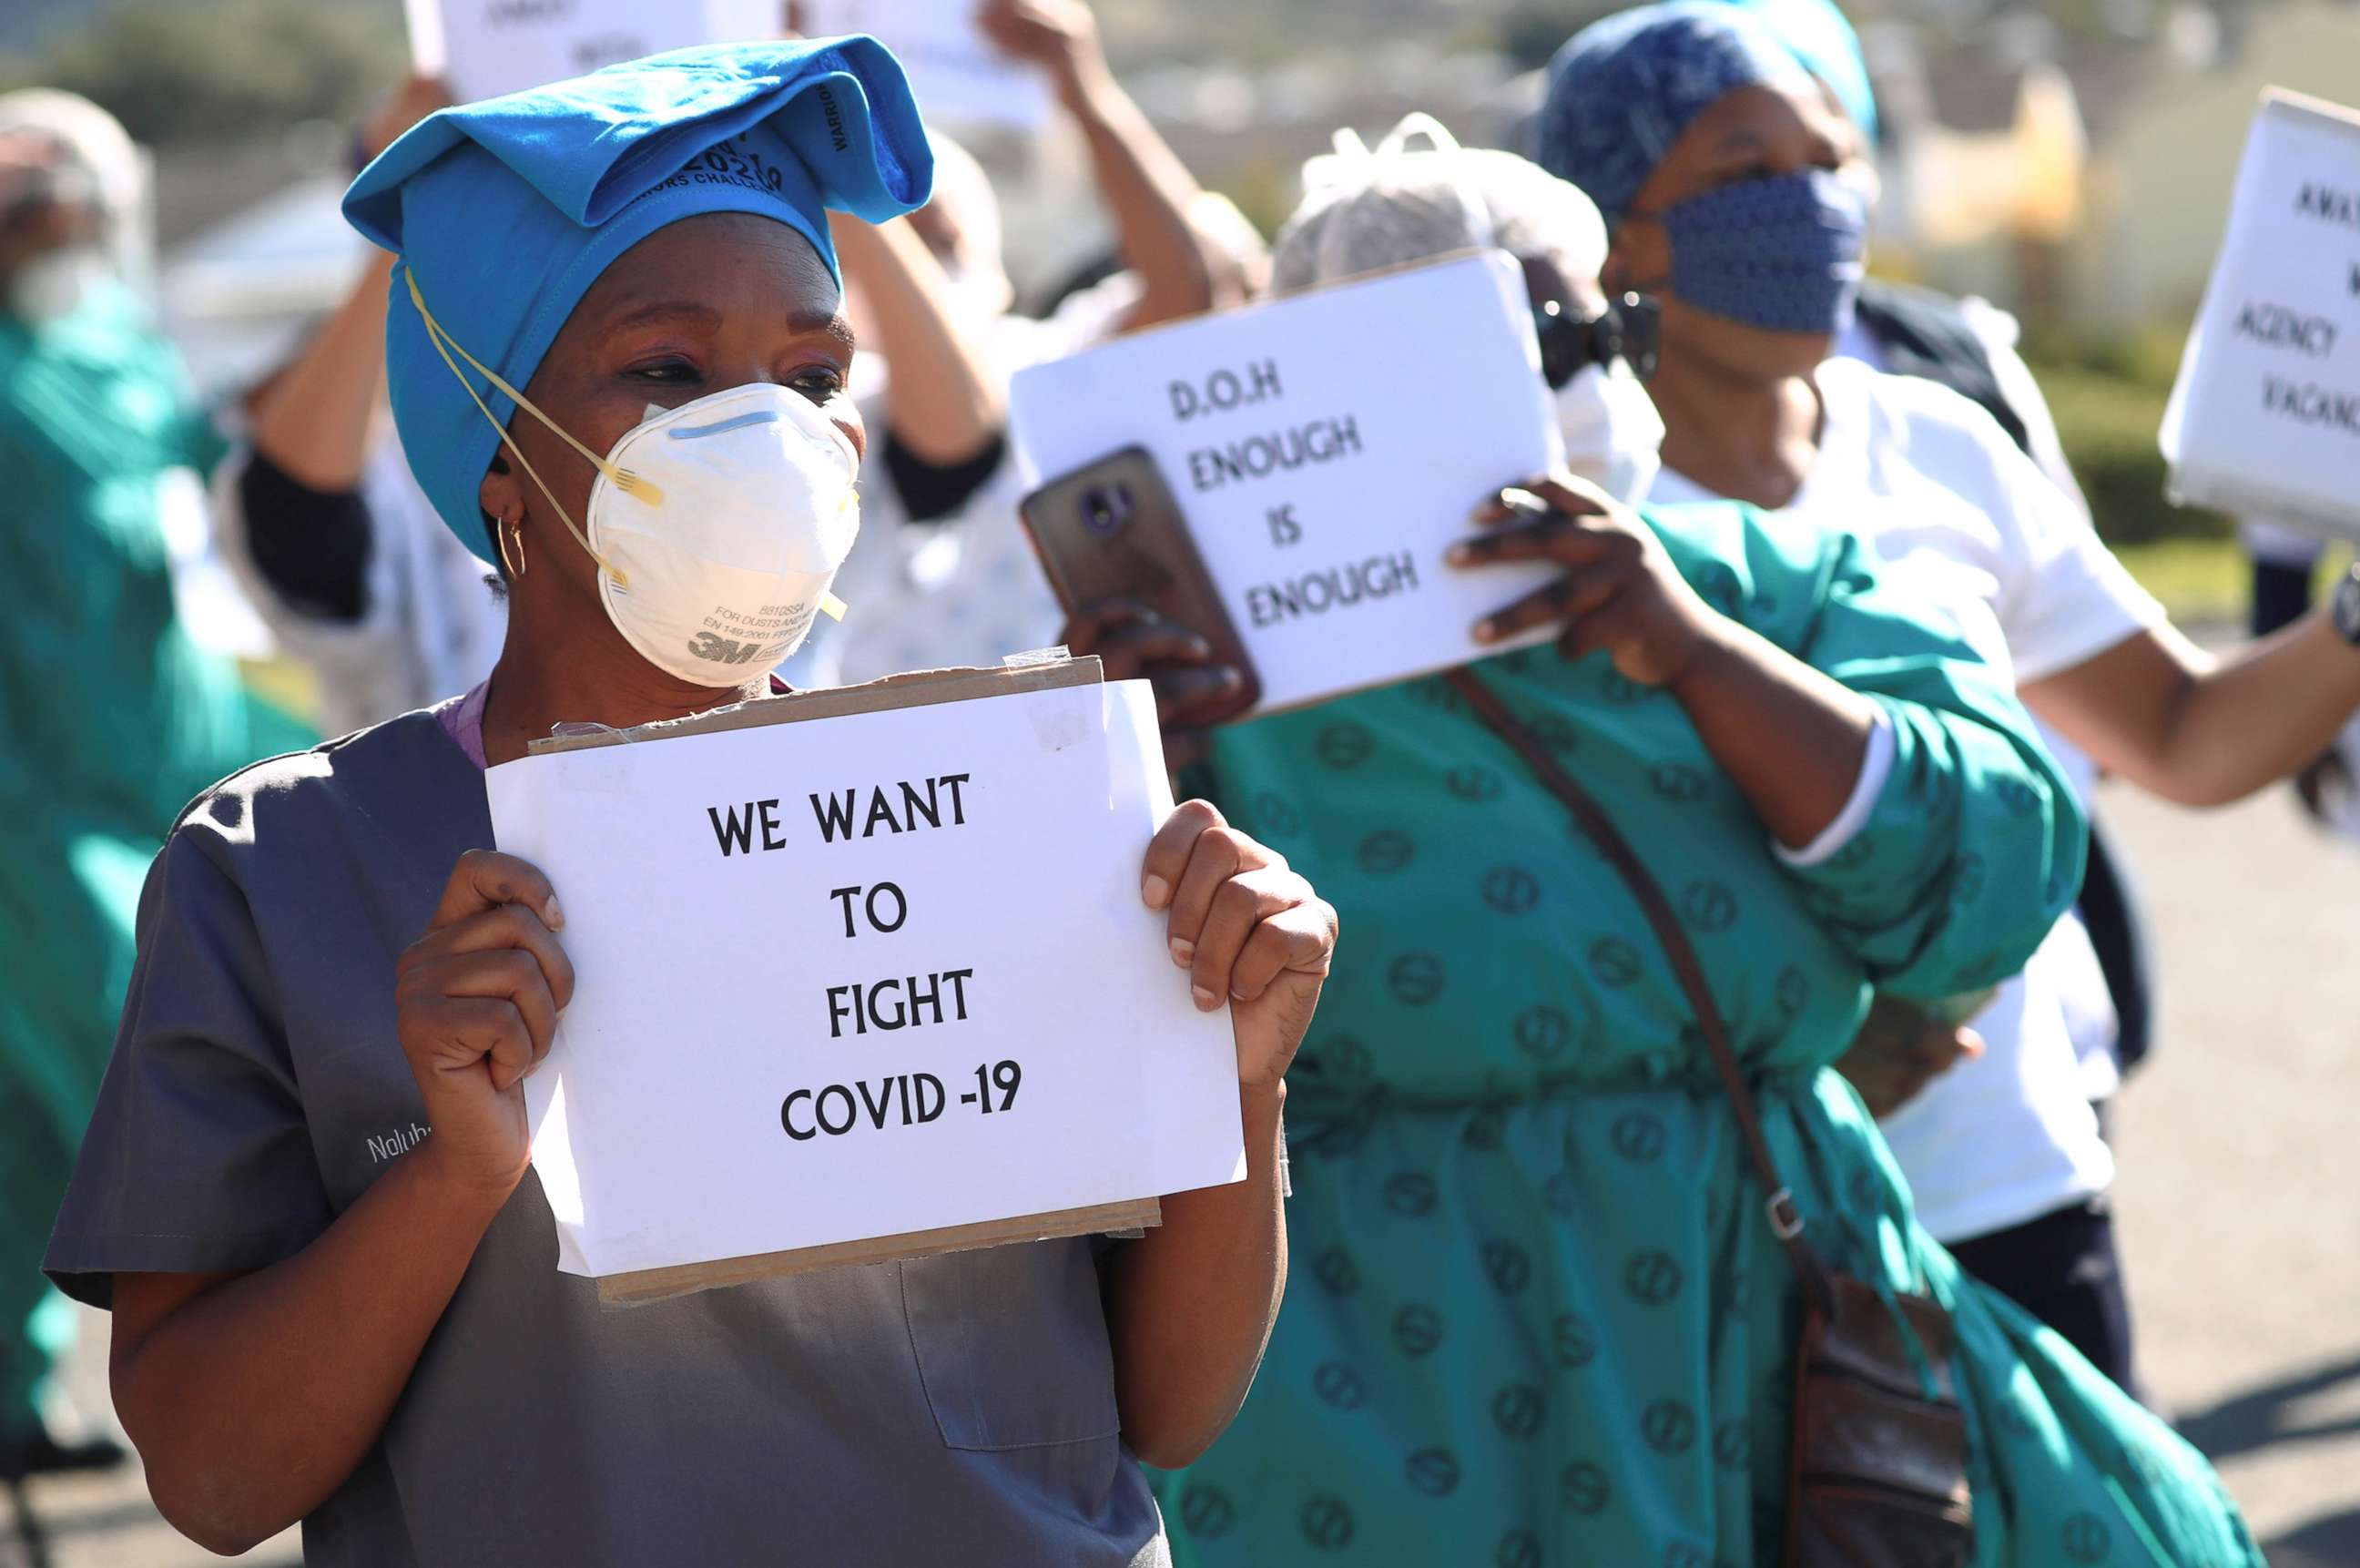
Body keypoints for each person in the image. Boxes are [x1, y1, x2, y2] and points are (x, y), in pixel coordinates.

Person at [41, 41, 1338, 1564]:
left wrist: (1236, 1080)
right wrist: (458, 1172)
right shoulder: (286, 873)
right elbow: (208, 1475)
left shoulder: (1002, 814)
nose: (772, 432)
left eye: (813, 376)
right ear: (502, 449)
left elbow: (1155, 1412)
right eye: (667, 370)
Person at [1069, 124, 2257, 1566]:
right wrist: (1096, 743)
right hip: (1364, 1391)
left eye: (1590, 329)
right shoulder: (1204, 681)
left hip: (1742, 1323)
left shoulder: (1786, 589)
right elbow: (1057, 1041)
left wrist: (1691, 648)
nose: (1574, 376)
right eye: (1495, 349)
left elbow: (1997, 868)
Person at [1534, 0, 2360, 1395]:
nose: (1810, 206)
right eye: (1744, 172)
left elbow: (2184, 734)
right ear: (1614, 232)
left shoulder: (1938, 446)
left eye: (1831, 160)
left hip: (2011, 1183)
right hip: (1730, 1214)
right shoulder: (1563, 520)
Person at [0, 90, 310, 1490]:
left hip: (175, 770)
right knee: (146, 1063)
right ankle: (271, 1381)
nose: (40, 226)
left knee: (22, 1119)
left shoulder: (120, 343)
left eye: (57, 201)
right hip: (35, 805)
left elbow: (187, 473)